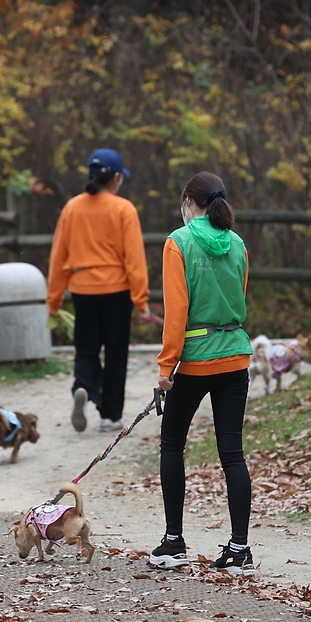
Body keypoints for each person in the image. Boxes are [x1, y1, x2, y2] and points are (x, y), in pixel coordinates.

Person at [149, 171, 254, 576]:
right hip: (235, 357)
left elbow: (176, 312)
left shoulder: (179, 242)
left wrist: (165, 367)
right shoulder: (239, 243)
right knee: (232, 453)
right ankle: (239, 549)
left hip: (194, 361)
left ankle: (174, 542)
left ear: (187, 201)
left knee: (173, 445)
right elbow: (239, 296)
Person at [47, 148, 151, 432]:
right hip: (116, 291)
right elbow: (134, 260)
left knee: (86, 348)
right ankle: (110, 415)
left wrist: (53, 300)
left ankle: (82, 386)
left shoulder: (72, 208)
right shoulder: (123, 209)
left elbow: (59, 257)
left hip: (83, 290)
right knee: (116, 352)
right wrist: (140, 301)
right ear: (116, 178)